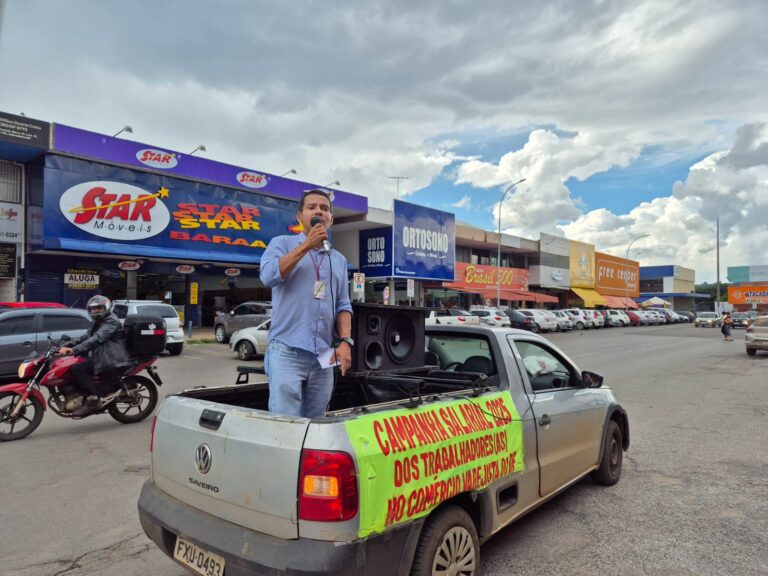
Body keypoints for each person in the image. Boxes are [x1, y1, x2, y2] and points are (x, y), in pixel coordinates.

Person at [259, 189, 353, 417]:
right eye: (312, 207)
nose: (319, 211)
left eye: (325, 208)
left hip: (323, 356)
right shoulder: (281, 243)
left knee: (316, 422)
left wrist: (345, 342)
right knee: (285, 423)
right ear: (300, 216)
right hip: (287, 351)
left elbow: (343, 304)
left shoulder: (338, 260)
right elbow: (268, 276)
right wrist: (307, 245)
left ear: (331, 219)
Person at [59, 295, 131, 415]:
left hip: (112, 357)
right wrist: (68, 344)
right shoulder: (98, 321)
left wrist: (74, 350)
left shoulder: (111, 321)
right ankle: (80, 395)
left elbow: (97, 338)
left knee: (78, 369)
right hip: (102, 355)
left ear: (106, 308)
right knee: (71, 366)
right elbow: (86, 337)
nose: (96, 311)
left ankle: (93, 400)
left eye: (99, 308)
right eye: (93, 308)